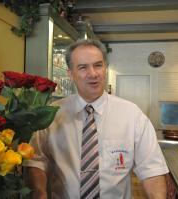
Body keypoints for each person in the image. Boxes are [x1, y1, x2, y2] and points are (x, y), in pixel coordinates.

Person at [23, 39, 169, 199]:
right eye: (83, 67)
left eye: (98, 65)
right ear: (70, 74)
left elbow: (152, 170)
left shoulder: (132, 115)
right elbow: (36, 160)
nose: (93, 74)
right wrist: (40, 193)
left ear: (105, 68)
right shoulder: (51, 115)